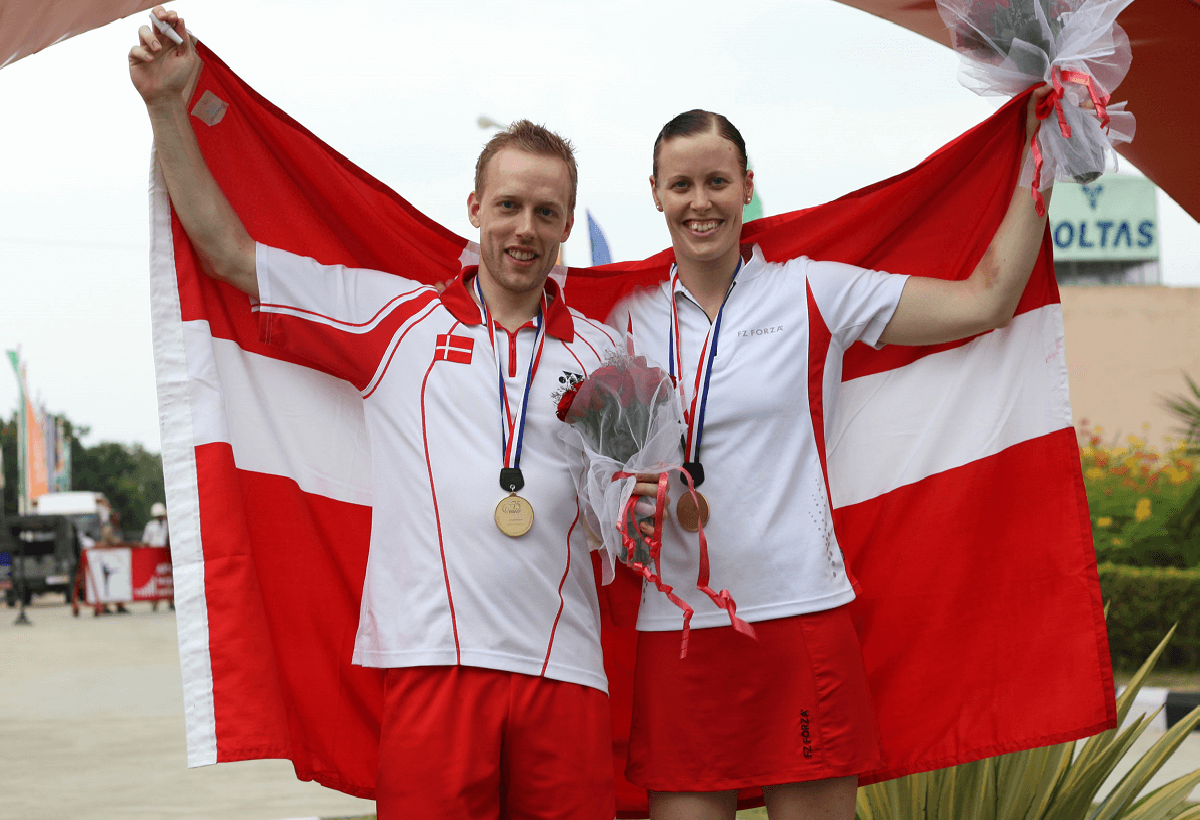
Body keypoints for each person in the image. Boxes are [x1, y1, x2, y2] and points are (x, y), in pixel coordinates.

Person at [129, 8, 650, 817]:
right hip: (431, 666)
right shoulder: (396, 321)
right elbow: (231, 256)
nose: (525, 228)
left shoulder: (607, 359)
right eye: (509, 205)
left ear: (566, 228)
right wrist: (167, 106)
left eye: (547, 213)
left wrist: (652, 507)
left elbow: (635, 511)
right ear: (474, 207)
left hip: (566, 670)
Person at [608, 95, 1055, 820]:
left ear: (748, 185)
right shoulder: (623, 318)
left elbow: (985, 300)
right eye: (681, 185)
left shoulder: (811, 289)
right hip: (679, 629)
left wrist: (1041, 156)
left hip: (801, 617)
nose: (700, 203)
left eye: (717, 182)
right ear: (654, 192)